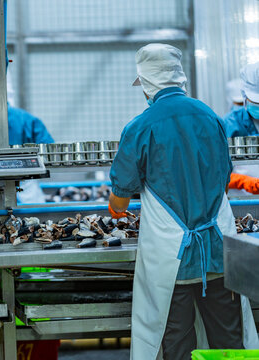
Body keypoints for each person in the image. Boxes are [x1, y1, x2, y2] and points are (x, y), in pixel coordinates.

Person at [108, 44, 258, 360]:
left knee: (176, 340)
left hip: (171, 261)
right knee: (228, 341)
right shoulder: (212, 117)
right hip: (218, 252)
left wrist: (117, 207)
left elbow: (120, 198)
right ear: (179, 77)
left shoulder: (139, 127)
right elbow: (223, 174)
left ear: (147, 81)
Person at [222, 63, 259, 195]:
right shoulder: (230, 123)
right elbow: (215, 171)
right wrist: (242, 181)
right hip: (240, 199)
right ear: (244, 95)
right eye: (255, 103)